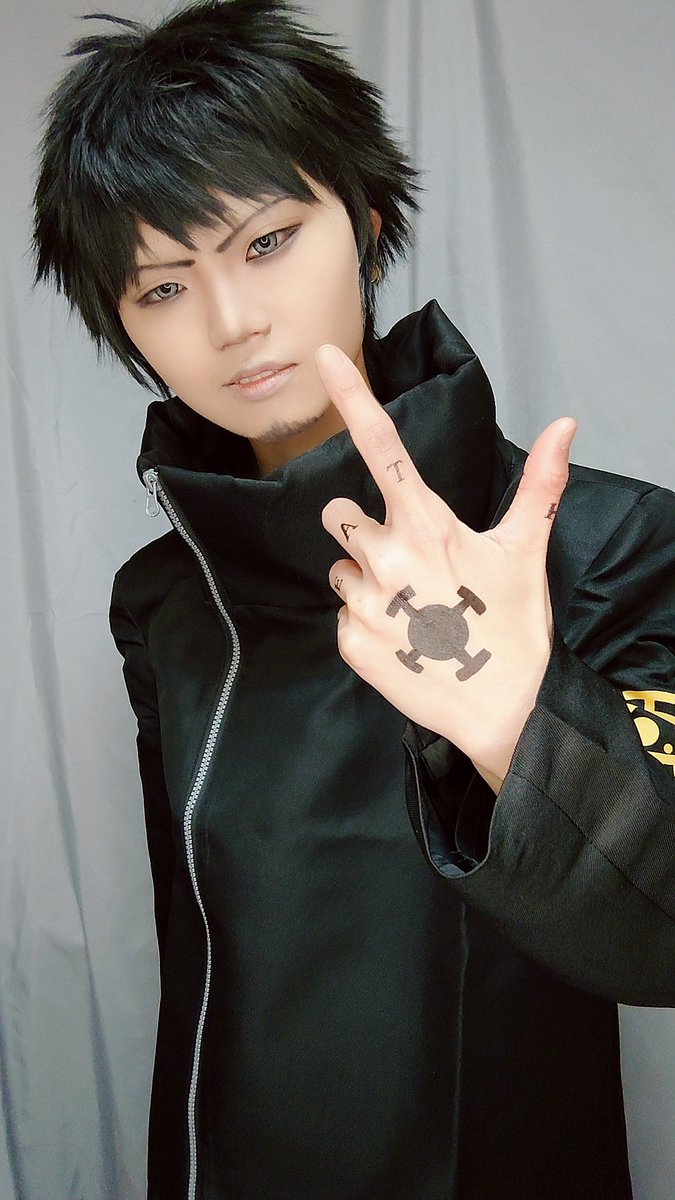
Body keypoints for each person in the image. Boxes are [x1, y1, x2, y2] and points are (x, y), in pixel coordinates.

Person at [33, 2, 675, 1197]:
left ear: (368, 226)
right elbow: (201, 986)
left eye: (268, 242)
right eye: (161, 288)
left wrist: (511, 714)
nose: (232, 323)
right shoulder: (166, 605)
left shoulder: (602, 541)